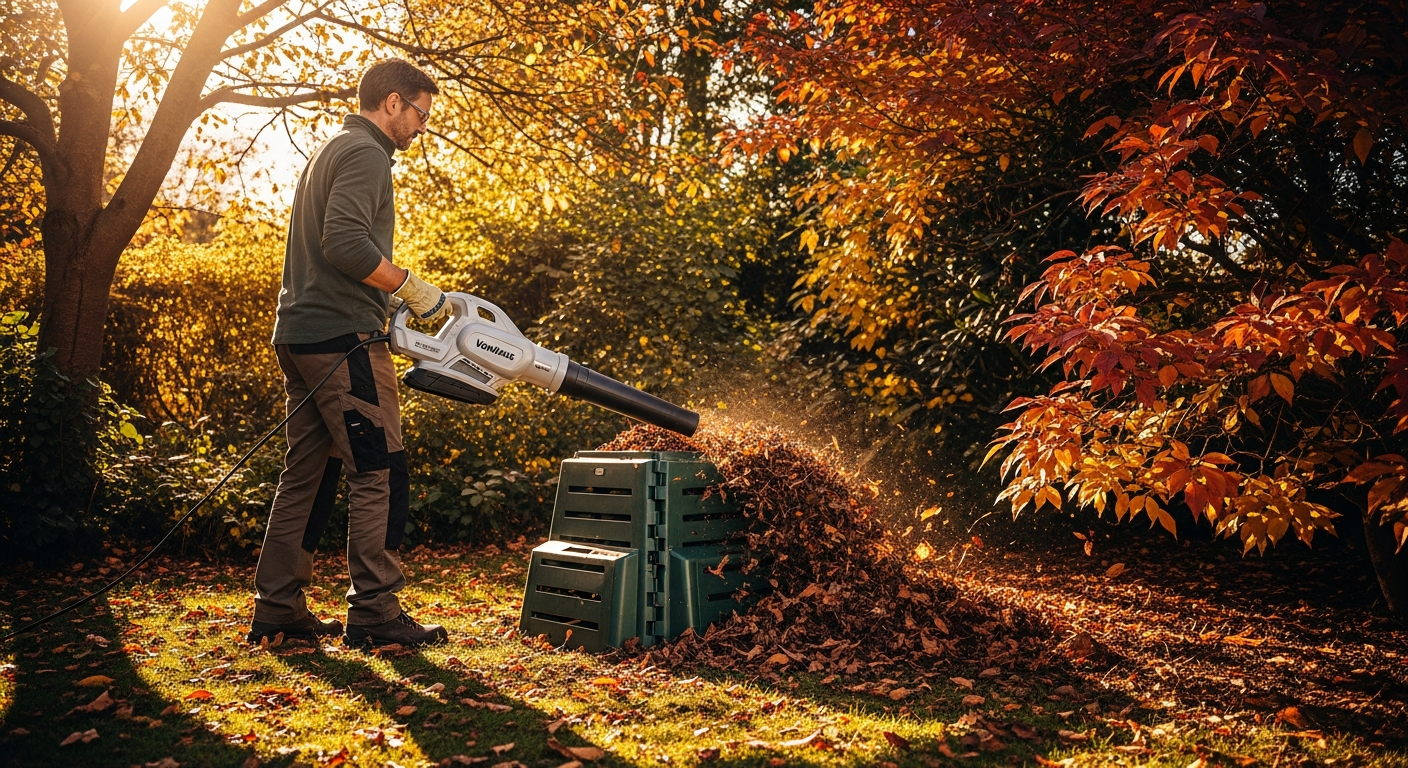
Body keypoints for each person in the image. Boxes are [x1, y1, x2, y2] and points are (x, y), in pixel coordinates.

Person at [246, 59, 451, 649]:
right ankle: (375, 613)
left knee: (305, 476)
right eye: (419, 114)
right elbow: (344, 243)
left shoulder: (328, 148)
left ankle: (278, 609)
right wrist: (410, 286)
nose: (419, 127)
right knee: (377, 469)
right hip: (343, 339)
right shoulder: (366, 153)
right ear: (392, 102)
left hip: (301, 336)